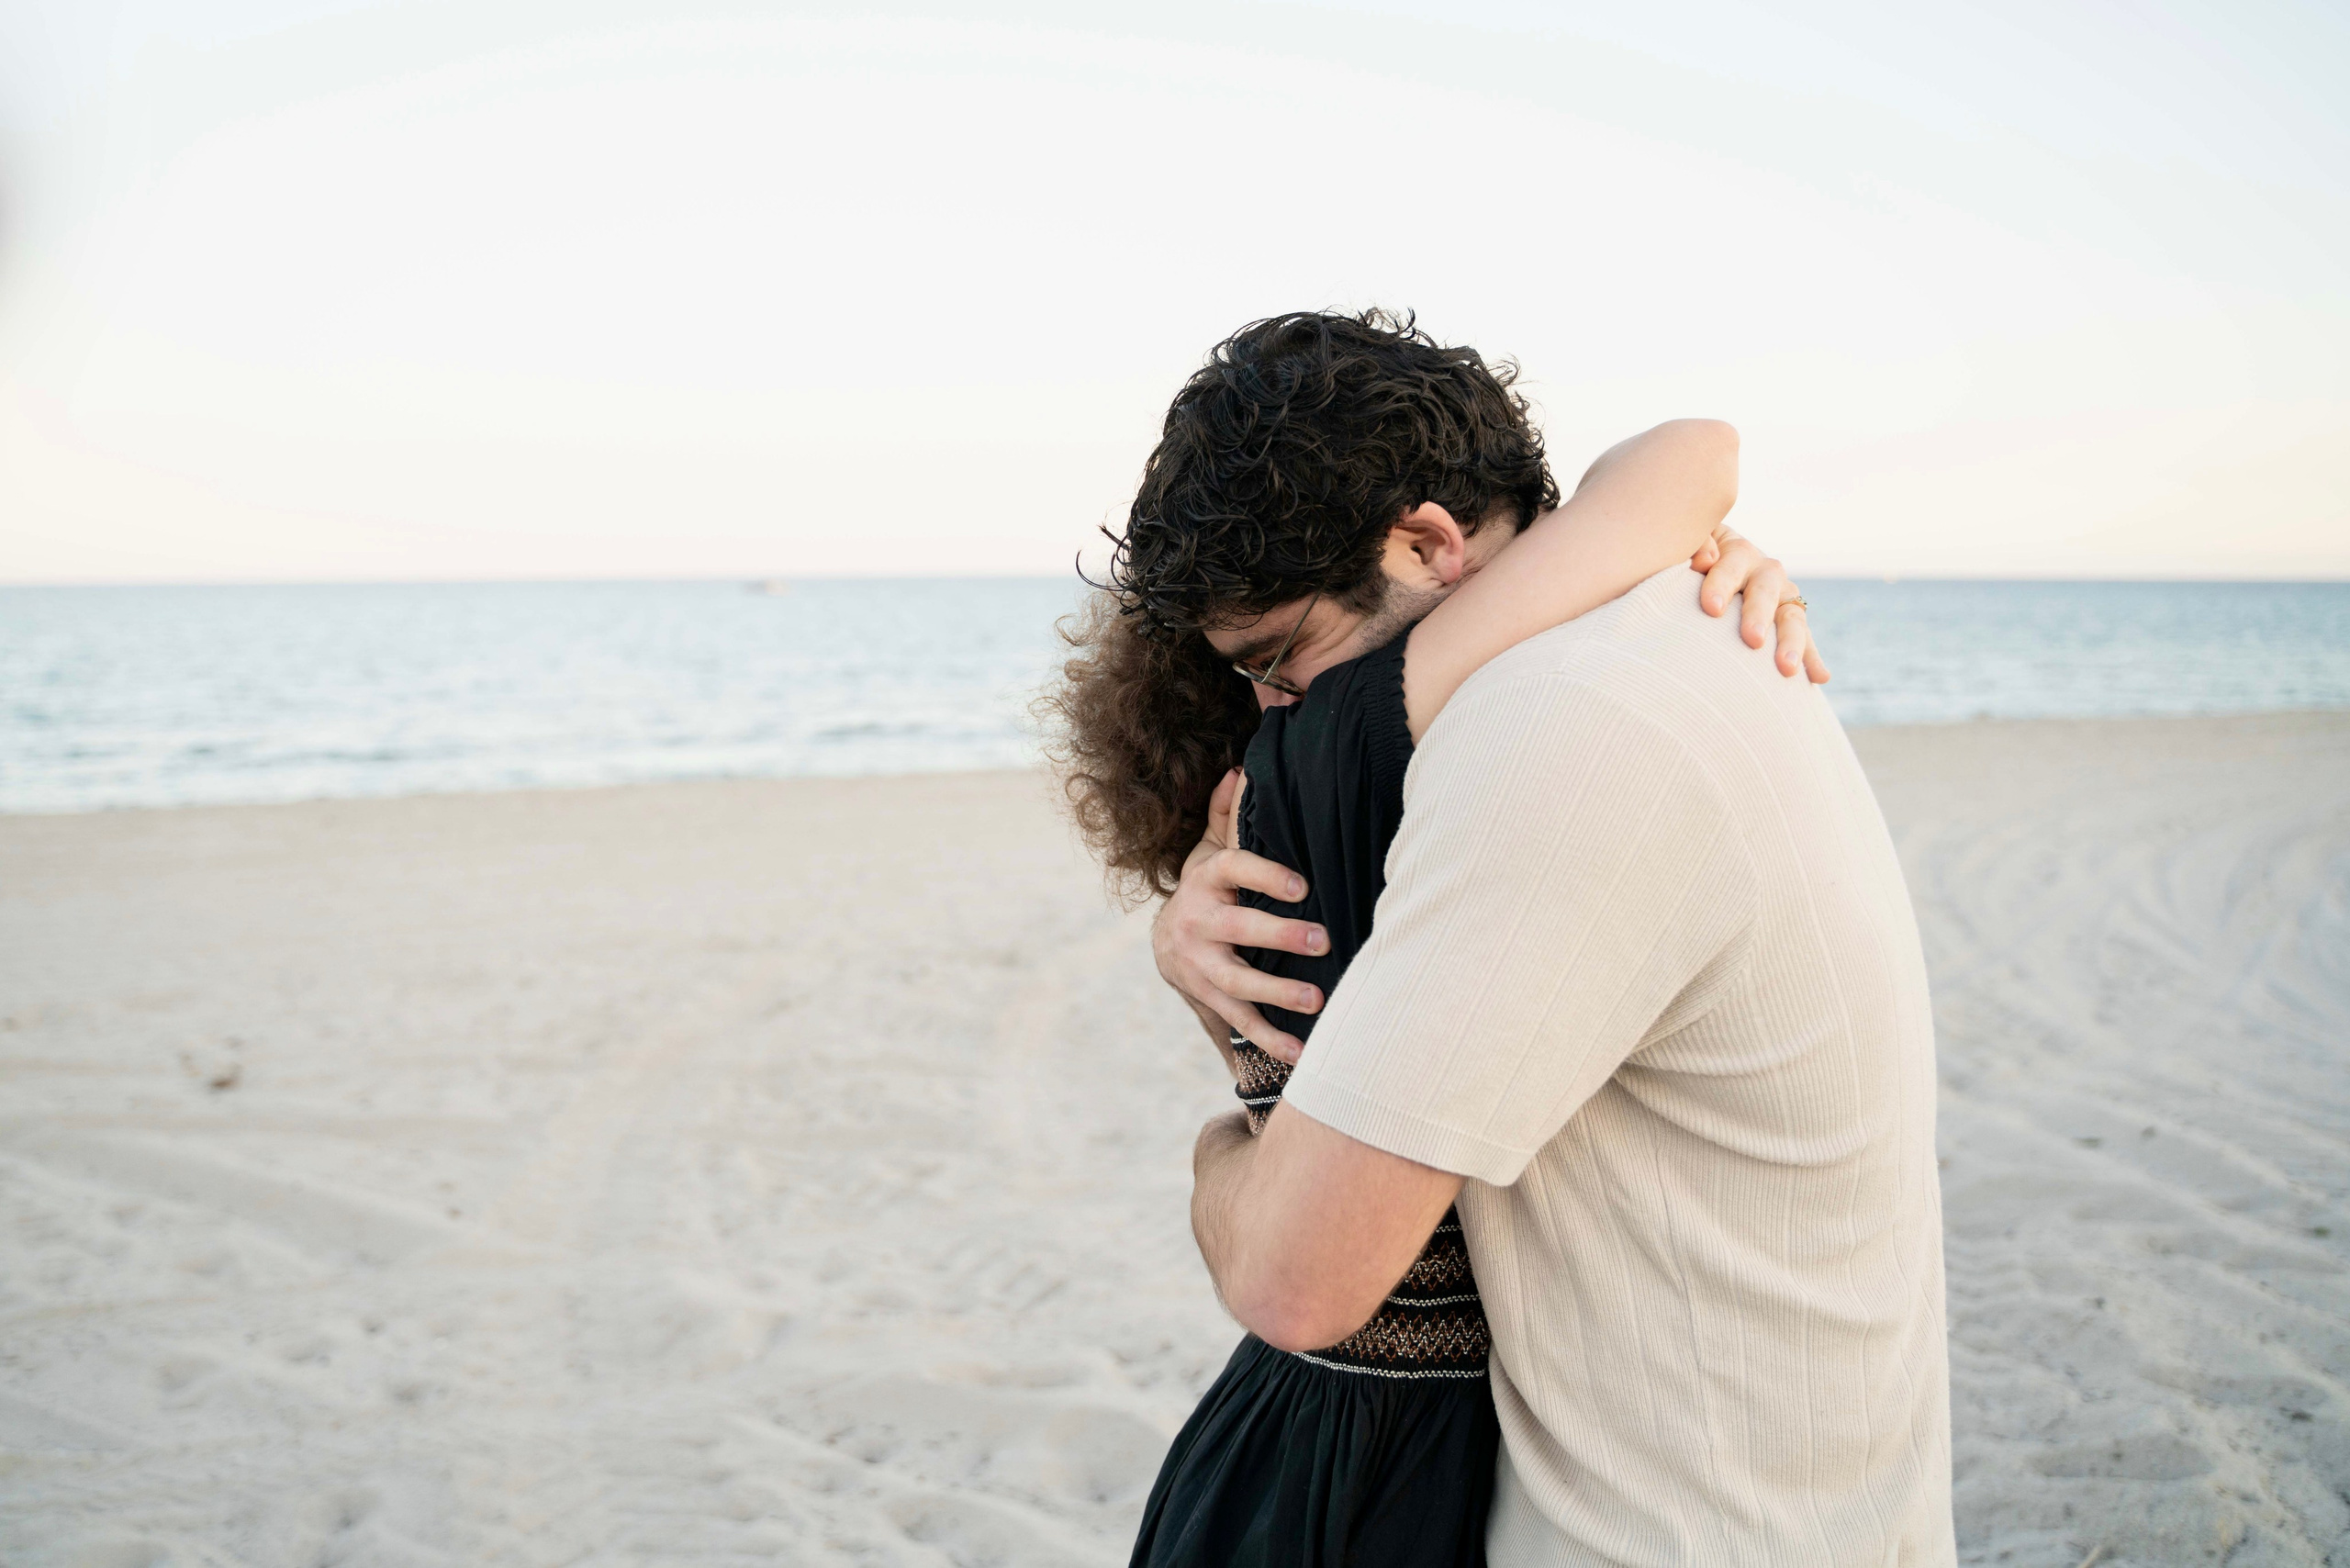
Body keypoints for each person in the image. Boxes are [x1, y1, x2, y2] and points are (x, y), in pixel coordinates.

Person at [1047, 311, 1938, 1566]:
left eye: (1282, 659)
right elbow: (1686, 453)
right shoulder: (1655, 616)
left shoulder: (1553, 727)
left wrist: (1213, 1163)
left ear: (1429, 542)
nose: (1282, 714)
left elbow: (1297, 1283)